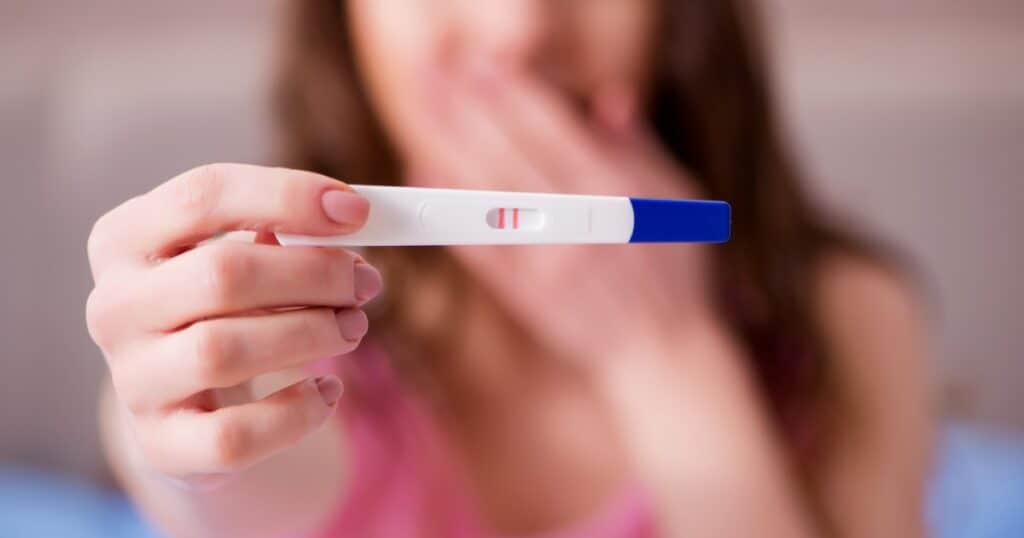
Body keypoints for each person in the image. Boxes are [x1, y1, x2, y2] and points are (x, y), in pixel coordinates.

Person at [85, 1, 933, 536]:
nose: (518, 29)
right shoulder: (281, 318)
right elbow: (229, 481)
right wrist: (190, 417)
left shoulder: (851, 320)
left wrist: (666, 353)